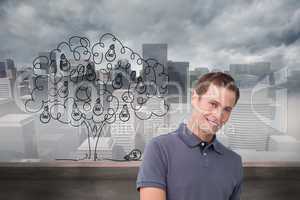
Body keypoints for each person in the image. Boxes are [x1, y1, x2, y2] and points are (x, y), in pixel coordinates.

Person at [136, 72, 243, 200]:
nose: (219, 115)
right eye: (213, 104)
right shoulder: (159, 148)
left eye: (227, 109)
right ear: (195, 99)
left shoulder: (234, 162)